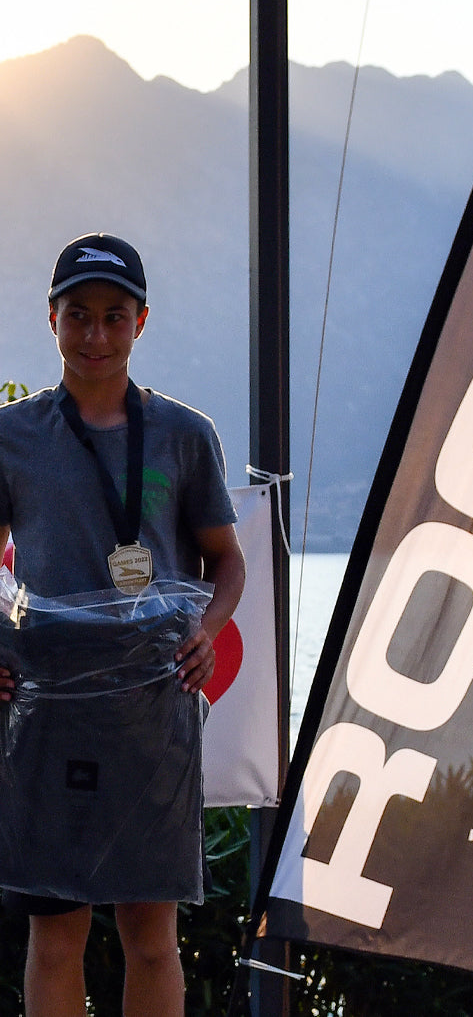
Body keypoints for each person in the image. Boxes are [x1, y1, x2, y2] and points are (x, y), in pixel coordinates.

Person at [0, 232, 246, 1017]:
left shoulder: (184, 434)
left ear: (140, 321)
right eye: (79, 315)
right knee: (54, 941)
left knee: (152, 940)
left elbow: (227, 563)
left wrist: (207, 629)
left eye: (114, 316)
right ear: (52, 319)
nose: (96, 335)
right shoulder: (11, 436)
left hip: (152, 713)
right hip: (48, 711)